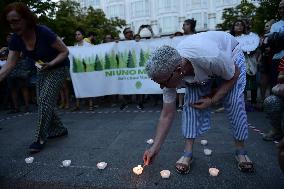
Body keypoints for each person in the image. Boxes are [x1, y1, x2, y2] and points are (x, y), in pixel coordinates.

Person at [143, 31, 254, 174]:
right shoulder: (167, 73)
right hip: (196, 66)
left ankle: (241, 150)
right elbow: (167, 114)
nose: (162, 87)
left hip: (229, 55)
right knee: (191, 105)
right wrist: (154, 148)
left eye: (163, 83)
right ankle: (187, 153)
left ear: (178, 71)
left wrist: (213, 99)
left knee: (234, 102)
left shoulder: (211, 57)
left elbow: (234, 74)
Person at [0, 2, 69, 153]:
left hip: (59, 67)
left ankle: (40, 138)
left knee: (44, 101)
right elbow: (9, 64)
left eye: (16, 20)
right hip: (42, 69)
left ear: (26, 18)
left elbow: (64, 51)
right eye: (10, 22)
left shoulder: (43, 32)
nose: (13, 26)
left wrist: (51, 64)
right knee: (41, 102)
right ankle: (59, 129)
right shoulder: (15, 40)